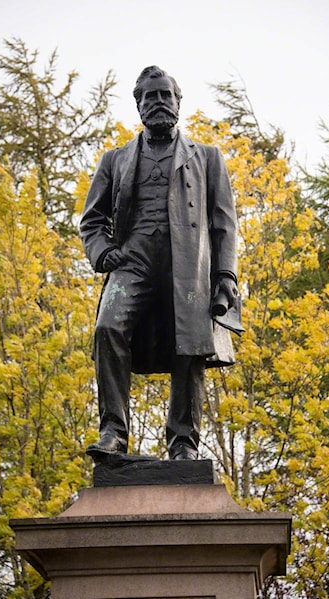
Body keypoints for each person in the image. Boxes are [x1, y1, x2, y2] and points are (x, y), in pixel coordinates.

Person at [80, 66, 238, 461]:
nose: (159, 102)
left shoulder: (207, 157)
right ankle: (113, 433)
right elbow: (92, 220)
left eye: (166, 95)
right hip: (132, 263)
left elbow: (224, 222)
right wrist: (104, 253)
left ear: (178, 101)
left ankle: (183, 442)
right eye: (150, 97)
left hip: (188, 265)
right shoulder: (114, 160)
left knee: (189, 347)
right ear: (139, 105)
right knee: (107, 329)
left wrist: (225, 274)